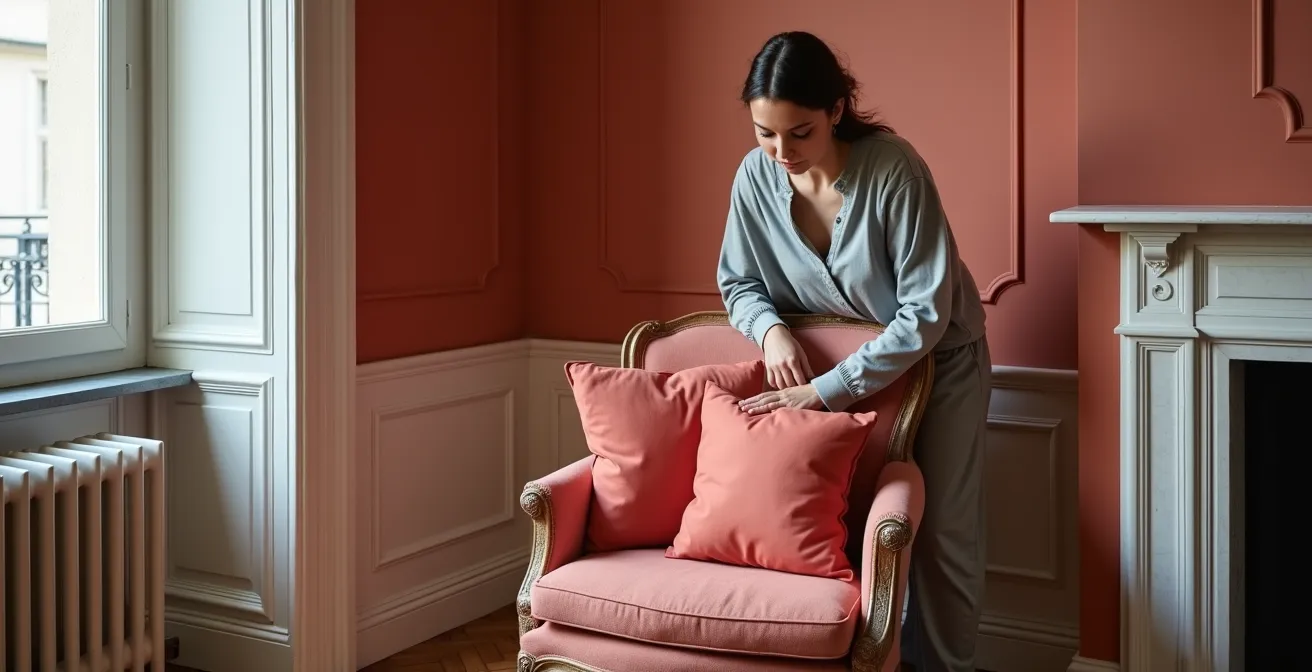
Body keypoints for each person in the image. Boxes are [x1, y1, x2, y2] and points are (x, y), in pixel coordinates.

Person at [717, 31, 991, 672]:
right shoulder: (753, 177)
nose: (781, 151)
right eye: (764, 133)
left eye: (799, 132)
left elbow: (925, 315)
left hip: (940, 364)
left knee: (941, 534)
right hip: (824, 368)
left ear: (837, 110)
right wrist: (770, 331)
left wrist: (823, 392)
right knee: (844, 524)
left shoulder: (895, 169)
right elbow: (738, 283)